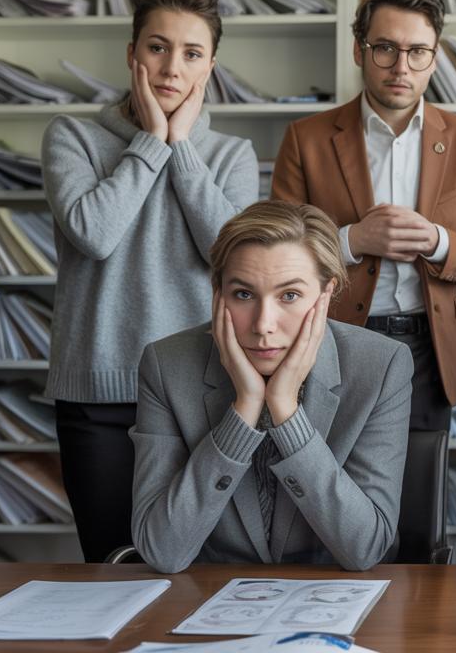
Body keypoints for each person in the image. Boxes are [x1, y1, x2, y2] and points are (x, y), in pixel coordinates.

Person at [41, 0, 259, 563]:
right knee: (114, 568)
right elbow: (94, 232)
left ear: (209, 66)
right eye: (157, 47)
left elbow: (232, 256)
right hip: (98, 393)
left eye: (191, 53)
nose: (171, 68)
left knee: (197, 571)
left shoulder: (230, 155)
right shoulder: (74, 137)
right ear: (132, 53)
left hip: (200, 392)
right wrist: (152, 143)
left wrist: (181, 148)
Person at [271, 0, 456, 432]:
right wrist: (351, 240)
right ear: (360, 51)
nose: (402, 66)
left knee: (417, 496)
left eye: (418, 51)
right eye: (385, 48)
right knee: (329, 494)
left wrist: (438, 242)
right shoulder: (306, 138)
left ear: (434, 59)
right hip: (333, 343)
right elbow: (277, 261)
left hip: (428, 352)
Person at [130, 200, 412, 573]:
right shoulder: (167, 365)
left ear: (326, 294)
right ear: (218, 293)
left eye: (289, 296)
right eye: (243, 294)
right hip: (206, 597)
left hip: (330, 598)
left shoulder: (381, 366)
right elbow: (161, 550)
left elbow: (365, 548)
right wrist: (245, 407)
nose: (263, 324)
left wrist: (284, 410)